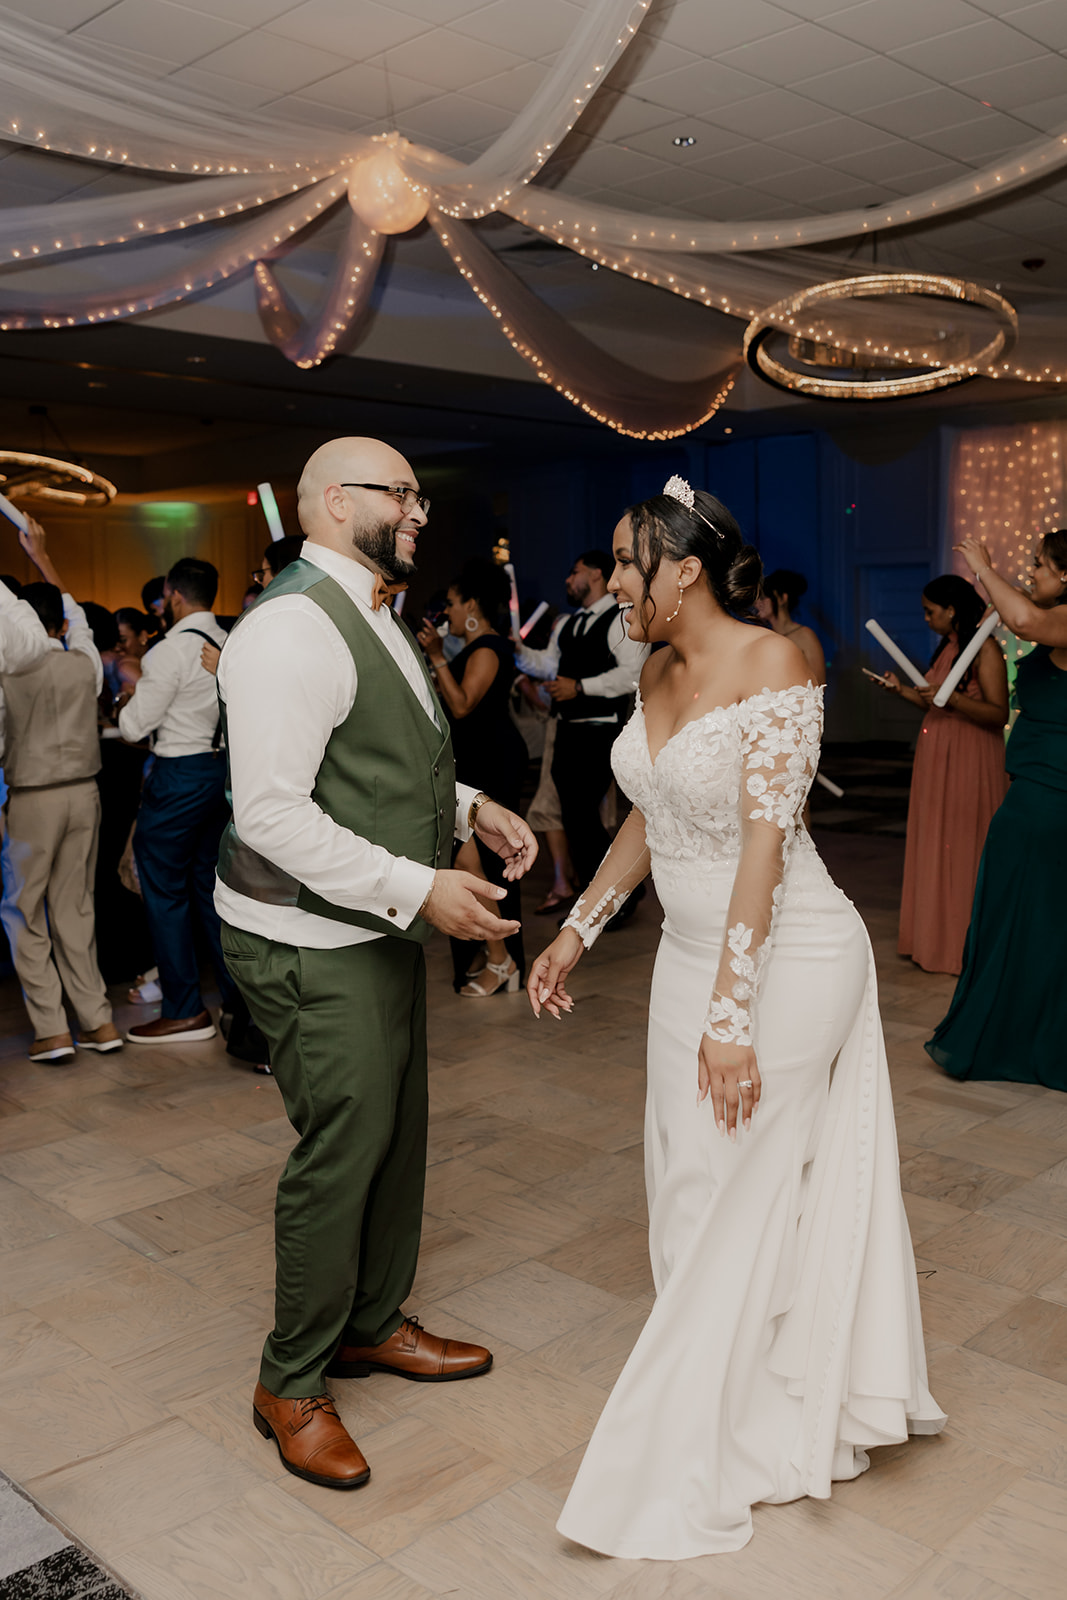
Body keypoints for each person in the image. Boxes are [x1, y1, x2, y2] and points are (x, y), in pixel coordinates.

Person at [529, 476, 944, 1560]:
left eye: (626, 562)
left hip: (790, 958)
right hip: (680, 955)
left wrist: (732, 1016)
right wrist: (576, 925)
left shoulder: (775, 660)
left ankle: (721, 1422)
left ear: (683, 568)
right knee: (685, 1180)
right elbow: (647, 818)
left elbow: (764, 842)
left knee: (730, 1179)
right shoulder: (651, 664)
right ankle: (743, 1380)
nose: (612, 579)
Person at [214, 437, 537, 1491]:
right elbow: (268, 813)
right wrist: (419, 889)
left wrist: (471, 809)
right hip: (311, 936)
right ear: (330, 501)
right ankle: (290, 1380)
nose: (416, 512)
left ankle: (367, 1323)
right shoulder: (292, 626)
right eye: (398, 494)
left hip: (375, 922)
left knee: (397, 1133)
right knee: (343, 1150)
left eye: (416, 495)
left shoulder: (375, 612)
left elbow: (382, 759)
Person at [926, 529, 1067, 1090]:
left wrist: (983, 568)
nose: (1033, 573)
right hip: (1034, 791)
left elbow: (1027, 621)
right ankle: (1022, 1035)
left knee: (1032, 921)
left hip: (1048, 797)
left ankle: (1020, 1041)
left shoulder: (1058, 622)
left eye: (1040, 565)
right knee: (1026, 921)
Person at [0, 521, 121, 1063]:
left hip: (33, 798)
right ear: (62, 623)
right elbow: (79, 621)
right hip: (85, 796)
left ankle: (51, 1029)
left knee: (24, 911)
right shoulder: (86, 663)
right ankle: (98, 1021)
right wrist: (42, 556)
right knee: (75, 908)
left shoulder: (9, 672)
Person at [118, 558, 235, 1043]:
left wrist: (128, 703)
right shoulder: (230, 643)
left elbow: (131, 727)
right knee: (211, 889)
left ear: (173, 595)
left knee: (163, 890)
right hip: (221, 774)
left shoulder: (167, 652)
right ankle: (236, 1002)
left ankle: (185, 1010)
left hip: (178, 776)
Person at [875, 575, 1008, 975]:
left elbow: (997, 715)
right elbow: (937, 704)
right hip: (938, 752)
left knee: (964, 842)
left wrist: (953, 702)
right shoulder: (950, 646)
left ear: (952, 610)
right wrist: (901, 691)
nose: (926, 618)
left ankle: (961, 946)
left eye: (930, 611)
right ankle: (934, 939)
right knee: (937, 840)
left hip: (970, 755)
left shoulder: (984, 650)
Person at [416, 559, 529, 996]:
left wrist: (438, 657)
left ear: (473, 606)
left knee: (487, 859)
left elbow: (463, 705)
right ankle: (497, 957)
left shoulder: (488, 648)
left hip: (493, 758)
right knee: (471, 855)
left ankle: (504, 961)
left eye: (452, 603)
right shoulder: (473, 647)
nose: (447, 612)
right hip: (474, 757)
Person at [516, 550, 647, 893]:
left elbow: (633, 675)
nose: (567, 580)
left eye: (574, 572)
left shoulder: (622, 618)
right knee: (574, 818)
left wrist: (579, 686)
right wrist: (518, 651)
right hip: (565, 731)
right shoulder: (567, 623)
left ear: (595, 575)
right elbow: (547, 666)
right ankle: (601, 894)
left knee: (585, 816)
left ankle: (620, 893)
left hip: (601, 730)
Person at [201, 534, 306, 678]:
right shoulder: (308, 609)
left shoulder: (278, 619)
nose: (260, 581)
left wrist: (223, 669)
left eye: (263, 572)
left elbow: (270, 680)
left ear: (283, 572)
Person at [754, 568, 826, 686]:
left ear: (782, 598)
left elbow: (818, 684)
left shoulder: (805, 636)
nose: (757, 603)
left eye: (763, 597)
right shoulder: (764, 635)